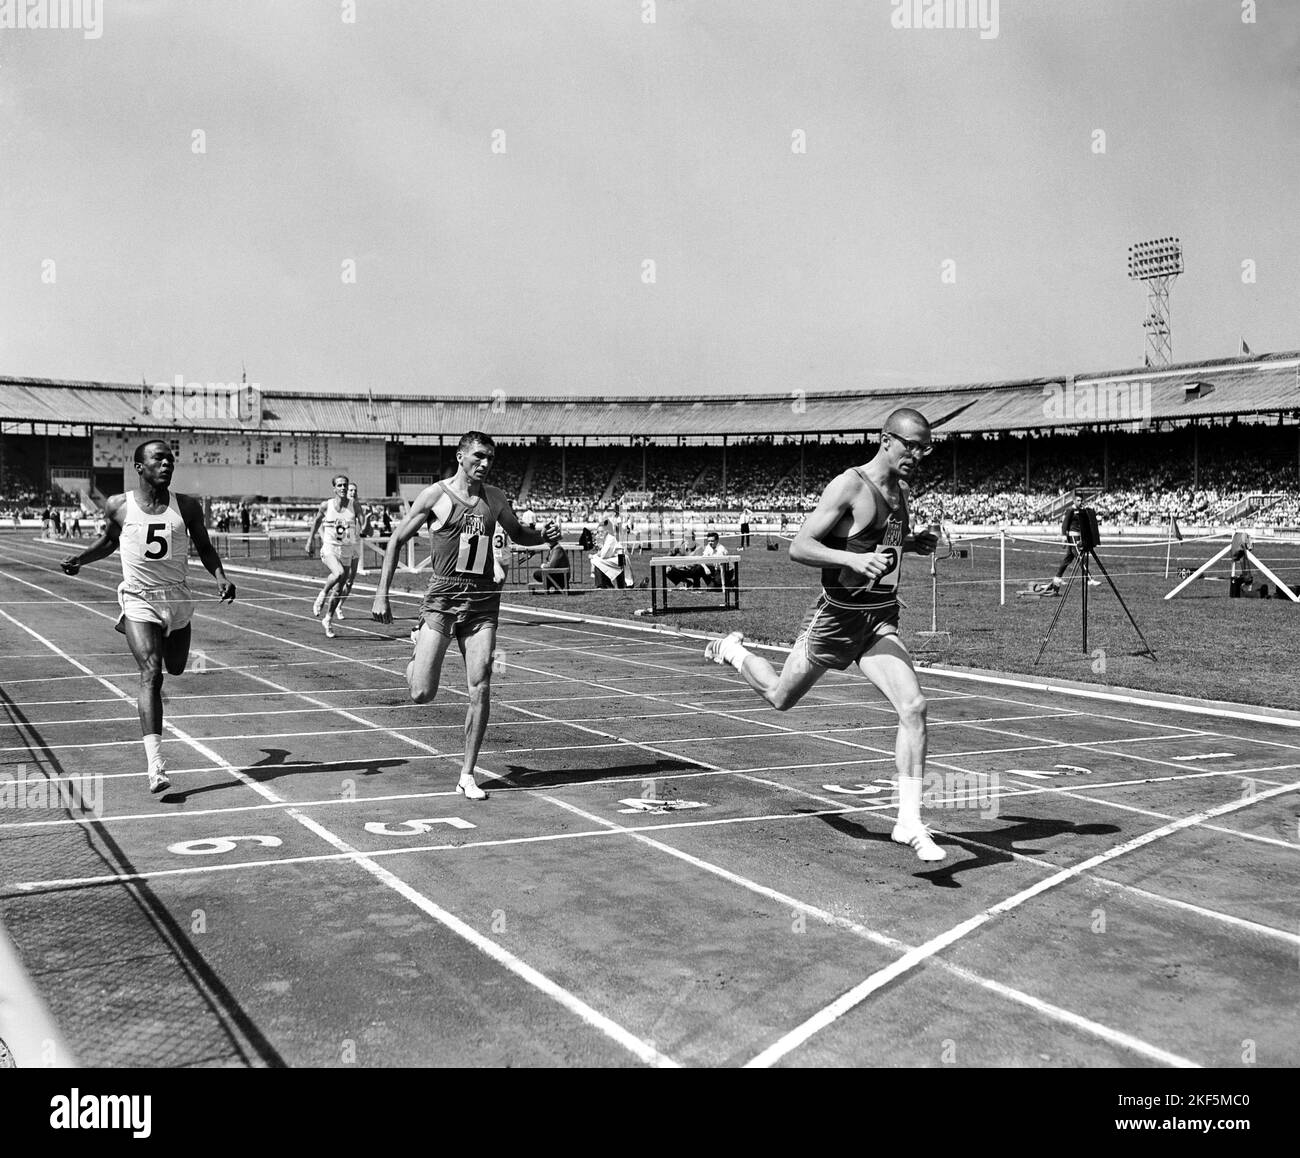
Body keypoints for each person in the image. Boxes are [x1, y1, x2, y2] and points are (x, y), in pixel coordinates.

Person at [703, 408, 946, 862]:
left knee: (913, 706)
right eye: (909, 444)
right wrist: (852, 563)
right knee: (780, 697)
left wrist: (914, 544)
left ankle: (908, 820)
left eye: (924, 447)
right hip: (836, 618)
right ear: (885, 439)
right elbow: (800, 546)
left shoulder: (904, 492)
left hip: (878, 620)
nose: (917, 454)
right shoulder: (850, 484)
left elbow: (880, 544)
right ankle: (734, 652)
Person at [371, 431, 559, 800]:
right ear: (460, 456)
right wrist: (382, 594)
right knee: (421, 693)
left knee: (481, 683)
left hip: (483, 601)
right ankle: (417, 646)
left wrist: (544, 536)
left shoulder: (495, 497)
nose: (485, 464)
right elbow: (396, 540)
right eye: (478, 456)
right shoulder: (435, 496)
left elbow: (518, 532)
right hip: (442, 597)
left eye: (490, 458)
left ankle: (467, 774)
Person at [59, 440, 236, 793]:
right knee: (151, 674)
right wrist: (81, 558)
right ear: (140, 467)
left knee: (176, 667)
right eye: (159, 458)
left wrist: (221, 577)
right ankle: (156, 765)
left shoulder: (186, 506)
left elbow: (204, 546)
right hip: (139, 598)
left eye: (170, 458)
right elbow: (111, 542)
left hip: (178, 598)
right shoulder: (118, 505)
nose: (167, 463)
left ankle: (168, 640)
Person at [305, 475, 361, 637]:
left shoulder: (354, 506)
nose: (343, 488)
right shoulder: (326, 505)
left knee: (339, 590)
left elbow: (365, 526)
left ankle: (328, 619)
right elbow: (316, 522)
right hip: (330, 548)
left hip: (347, 550)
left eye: (345, 485)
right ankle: (322, 595)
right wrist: (310, 540)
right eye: (340, 485)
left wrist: (366, 524)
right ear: (334, 488)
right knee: (339, 573)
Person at [333, 482, 372, 618]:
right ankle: (332, 603)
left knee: (350, 581)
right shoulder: (341, 507)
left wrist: (368, 518)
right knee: (341, 578)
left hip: (355, 546)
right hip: (342, 546)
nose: (353, 492)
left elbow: (367, 532)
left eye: (355, 490)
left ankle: (339, 606)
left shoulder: (359, 508)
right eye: (350, 490)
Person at [1050, 493, 1099, 592]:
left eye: (1081, 500)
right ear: (1074, 501)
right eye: (1078, 500)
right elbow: (1065, 524)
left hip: (1078, 535)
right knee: (1081, 557)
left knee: (1068, 558)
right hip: (1073, 536)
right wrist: (1064, 537)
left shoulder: (1080, 510)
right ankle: (1090, 579)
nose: (1080, 502)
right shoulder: (1070, 510)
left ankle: (1057, 577)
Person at [590, 518, 630, 588]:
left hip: (620, 558)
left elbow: (604, 555)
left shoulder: (610, 539)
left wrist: (594, 556)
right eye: (598, 532)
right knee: (598, 561)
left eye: (602, 531)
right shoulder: (605, 539)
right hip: (614, 558)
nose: (600, 533)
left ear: (606, 531)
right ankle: (606, 583)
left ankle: (602, 584)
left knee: (596, 561)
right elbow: (604, 553)